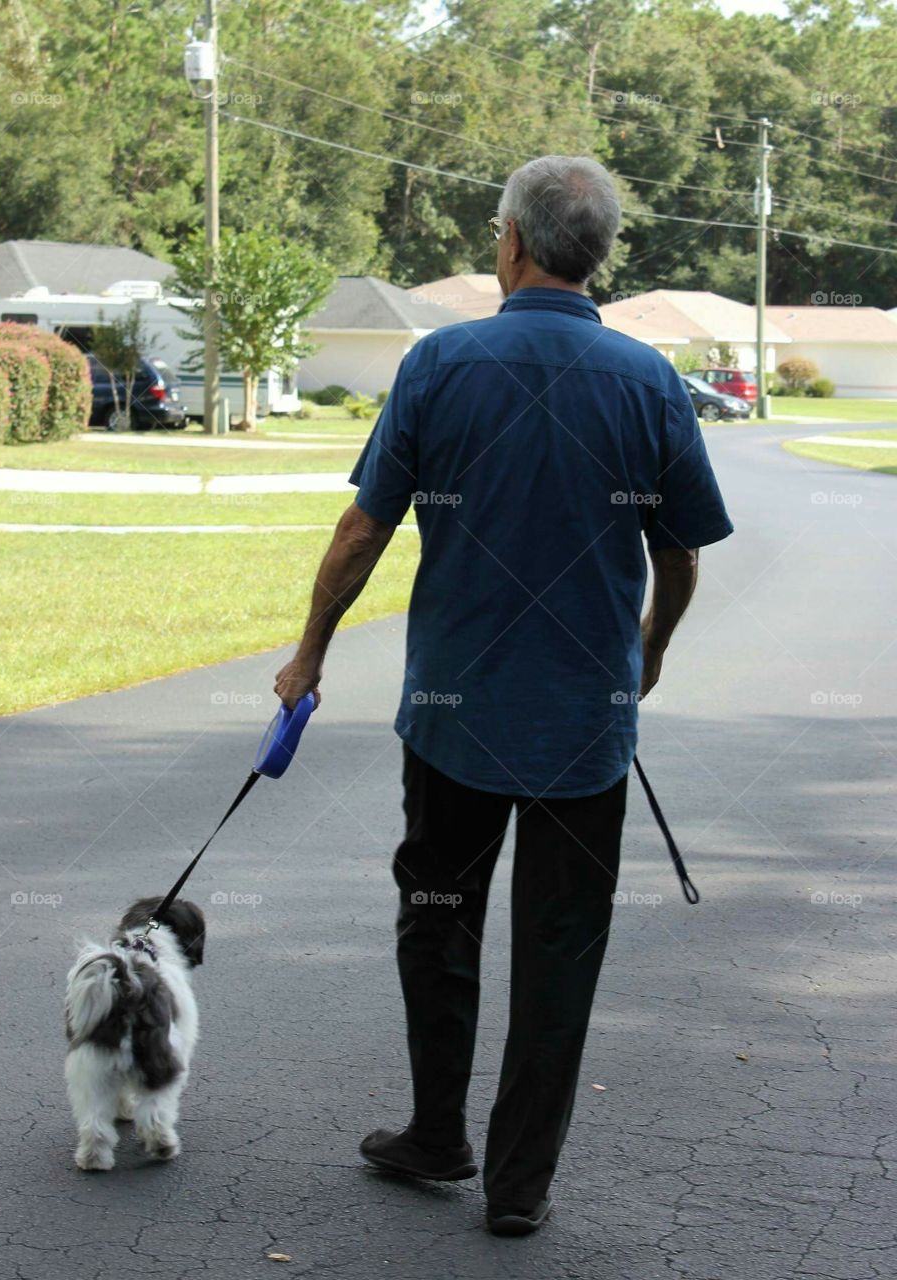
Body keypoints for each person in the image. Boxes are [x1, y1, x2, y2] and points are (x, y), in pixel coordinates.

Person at [275, 155, 733, 1236]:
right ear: (597, 254)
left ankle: (438, 1132)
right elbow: (680, 552)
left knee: (440, 921)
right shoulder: (649, 381)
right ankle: (519, 1185)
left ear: (514, 242)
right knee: (560, 948)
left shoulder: (441, 362)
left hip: (454, 717)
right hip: (585, 725)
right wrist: (649, 649)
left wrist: (309, 655)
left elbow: (363, 529)